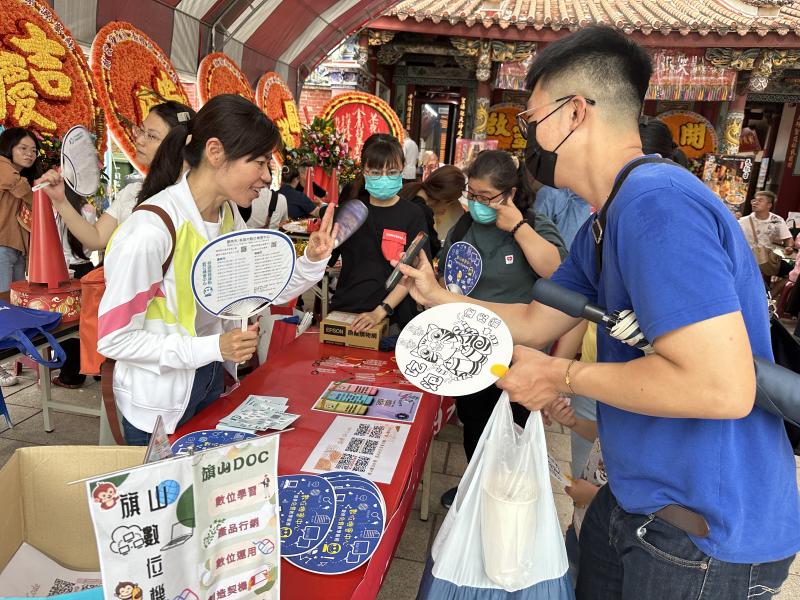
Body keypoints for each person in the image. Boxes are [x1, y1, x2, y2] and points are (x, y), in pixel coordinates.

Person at [399, 26, 799, 599]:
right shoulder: (603, 224)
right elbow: (538, 320)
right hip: (637, 500)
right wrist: (443, 299)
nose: (527, 138)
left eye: (531, 119)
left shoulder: (658, 204)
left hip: (704, 531)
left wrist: (559, 375)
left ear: (574, 113)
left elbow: (722, 388)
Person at [39, 95, 337, 445]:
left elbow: (259, 292)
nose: (266, 177)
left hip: (210, 378)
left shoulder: (228, 217)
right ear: (215, 152)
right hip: (158, 407)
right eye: (257, 162)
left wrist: (313, 261)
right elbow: (114, 338)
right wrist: (214, 348)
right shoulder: (149, 231)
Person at [438, 150, 567, 508]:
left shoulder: (534, 225)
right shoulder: (465, 226)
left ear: (510, 192)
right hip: (470, 346)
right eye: (472, 195)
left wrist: (517, 227)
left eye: (486, 197)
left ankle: (508, 499)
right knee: (474, 420)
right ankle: (476, 488)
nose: (477, 204)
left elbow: (555, 270)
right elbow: (450, 273)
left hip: (519, 351)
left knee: (514, 426)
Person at [46, 101, 195, 251]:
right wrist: (61, 201)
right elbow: (96, 238)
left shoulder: (194, 196)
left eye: (151, 136)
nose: (139, 140)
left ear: (180, 144)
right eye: (141, 130)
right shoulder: (132, 192)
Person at [329, 134, 430, 333]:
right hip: (347, 312)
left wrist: (380, 311)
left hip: (393, 318)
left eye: (391, 172)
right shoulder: (351, 211)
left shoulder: (413, 214)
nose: (384, 178)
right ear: (364, 171)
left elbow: (413, 272)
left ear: (402, 168)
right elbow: (325, 260)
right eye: (375, 172)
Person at [0, 127, 39, 386]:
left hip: (15, 247)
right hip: (2, 245)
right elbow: (20, 188)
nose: (29, 154)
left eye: (33, 151)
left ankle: (9, 360)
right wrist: (30, 192)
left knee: (12, 306)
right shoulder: (2, 165)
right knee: (3, 306)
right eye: (23, 148)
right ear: (9, 148)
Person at [400, 165, 465, 256]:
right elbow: (431, 249)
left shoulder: (409, 188)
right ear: (444, 199)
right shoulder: (423, 211)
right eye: (451, 202)